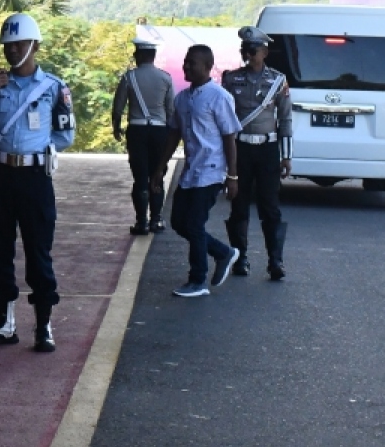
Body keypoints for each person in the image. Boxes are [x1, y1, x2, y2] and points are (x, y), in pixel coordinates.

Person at [0, 13, 75, 353]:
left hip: (34, 177)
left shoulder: (54, 87)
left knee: (38, 250)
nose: (12, 50)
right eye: (7, 45)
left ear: (34, 46)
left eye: (18, 44)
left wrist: (37, 152)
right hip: (0, 175)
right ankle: (5, 324)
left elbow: (66, 135)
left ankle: (43, 326)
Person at [153, 44, 242, 298]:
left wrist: (232, 176)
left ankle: (197, 280)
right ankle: (223, 252)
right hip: (191, 170)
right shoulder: (182, 98)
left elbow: (229, 137)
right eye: (185, 62)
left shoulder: (219, 97)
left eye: (192, 63)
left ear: (207, 66)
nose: (187, 67)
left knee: (194, 223)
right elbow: (174, 134)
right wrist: (160, 168)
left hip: (212, 170)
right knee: (179, 222)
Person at [221, 26, 292, 280]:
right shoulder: (231, 80)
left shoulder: (278, 81)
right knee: (239, 205)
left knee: (270, 206)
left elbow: (285, 119)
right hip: (240, 149)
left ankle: (275, 261)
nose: (248, 54)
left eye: (253, 50)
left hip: (267, 149)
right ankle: (239, 258)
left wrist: (286, 156)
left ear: (264, 52)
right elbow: (224, 118)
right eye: (245, 49)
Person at [112, 28, 175, 235]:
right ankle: (156, 220)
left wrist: (116, 126)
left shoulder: (129, 77)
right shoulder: (165, 78)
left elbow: (118, 107)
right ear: (153, 56)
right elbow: (171, 110)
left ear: (138, 55)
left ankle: (141, 222)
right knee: (157, 174)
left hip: (137, 131)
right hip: (160, 132)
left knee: (140, 177)